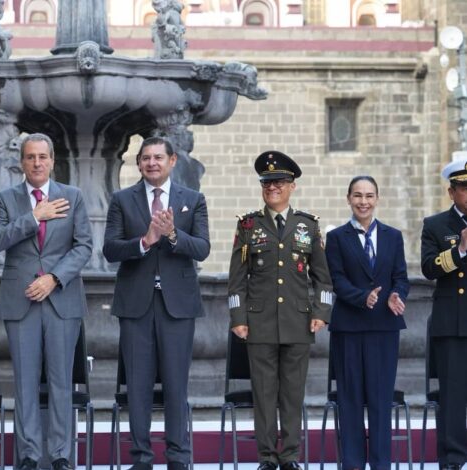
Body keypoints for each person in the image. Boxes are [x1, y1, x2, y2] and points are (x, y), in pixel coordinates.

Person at [102, 136, 210, 470]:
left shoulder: (193, 200)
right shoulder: (122, 199)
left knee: (177, 386)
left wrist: (174, 235)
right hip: (136, 305)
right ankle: (141, 459)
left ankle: (178, 458)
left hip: (178, 306)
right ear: (138, 164)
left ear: (172, 161)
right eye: (146, 158)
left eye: (158, 157)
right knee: (138, 387)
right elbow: (110, 250)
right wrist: (145, 241)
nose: (152, 163)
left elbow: (203, 248)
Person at [0, 133, 92, 470]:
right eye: (30, 157)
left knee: (62, 381)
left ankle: (61, 454)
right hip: (21, 301)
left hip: (61, 298)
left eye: (43, 157)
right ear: (22, 161)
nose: (37, 163)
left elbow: (84, 247)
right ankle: (29, 455)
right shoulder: (6, 198)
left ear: (52, 160)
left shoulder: (73, 197)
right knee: (25, 382)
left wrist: (55, 277)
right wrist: (35, 216)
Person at [227, 150, 332, 470]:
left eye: (280, 182)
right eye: (267, 182)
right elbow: (236, 280)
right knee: (263, 394)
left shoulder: (307, 225)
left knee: (291, 395)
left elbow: (323, 279)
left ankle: (289, 456)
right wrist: (238, 318)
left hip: (299, 323)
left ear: (292, 186)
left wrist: (321, 313)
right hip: (258, 323)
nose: (273, 187)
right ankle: (266, 457)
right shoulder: (248, 225)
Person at [325, 176, 408, 470]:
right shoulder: (336, 238)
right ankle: (352, 463)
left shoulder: (393, 236)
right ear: (348, 198)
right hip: (349, 327)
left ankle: (381, 464)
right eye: (358, 195)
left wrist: (396, 295)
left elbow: (400, 276)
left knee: (380, 402)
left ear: (377, 199)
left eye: (369, 196)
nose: (363, 201)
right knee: (349, 400)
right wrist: (362, 297)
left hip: (385, 328)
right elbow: (336, 279)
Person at [421, 158, 467, 470]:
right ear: (452, 192)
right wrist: (459, 251)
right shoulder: (436, 225)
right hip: (453, 322)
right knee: (452, 396)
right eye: (464, 187)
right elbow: (428, 269)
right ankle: (453, 457)